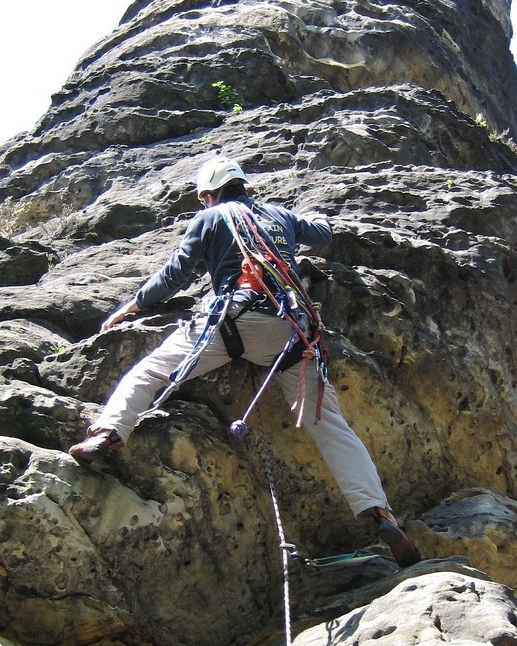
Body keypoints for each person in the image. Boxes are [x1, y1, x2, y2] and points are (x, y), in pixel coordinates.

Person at [69, 156, 421, 567]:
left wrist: (132, 304)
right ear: (242, 184)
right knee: (329, 425)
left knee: (150, 371)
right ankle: (379, 512)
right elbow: (323, 233)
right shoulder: (279, 215)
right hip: (289, 333)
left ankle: (108, 432)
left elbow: (176, 274)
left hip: (229, 323)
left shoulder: (210, 218)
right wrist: (317, 215)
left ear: (208, 194)